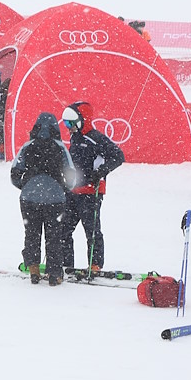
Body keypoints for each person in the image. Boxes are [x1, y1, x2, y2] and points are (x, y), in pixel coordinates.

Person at [10, 112, 76, 286]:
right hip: (55, 200)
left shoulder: (28, 146)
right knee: (54, 236)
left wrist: (27, 184)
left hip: (29, 199)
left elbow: (14, 173)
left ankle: (33, 269)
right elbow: (72, 177)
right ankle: (54, 273)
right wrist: (61, 186)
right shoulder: (60, 147)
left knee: (31, 234)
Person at [61, 101, 126, 271]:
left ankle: (95, 264)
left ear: (82, 120)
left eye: (70, 123)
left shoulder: (95, 138)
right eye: (66, 123)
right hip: (72, 192)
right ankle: (66, 264)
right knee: (63, 229)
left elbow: (118, 156)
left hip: (91, 193)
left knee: (92, 230)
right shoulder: (75, 138)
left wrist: (100, 172)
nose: (68, 127)